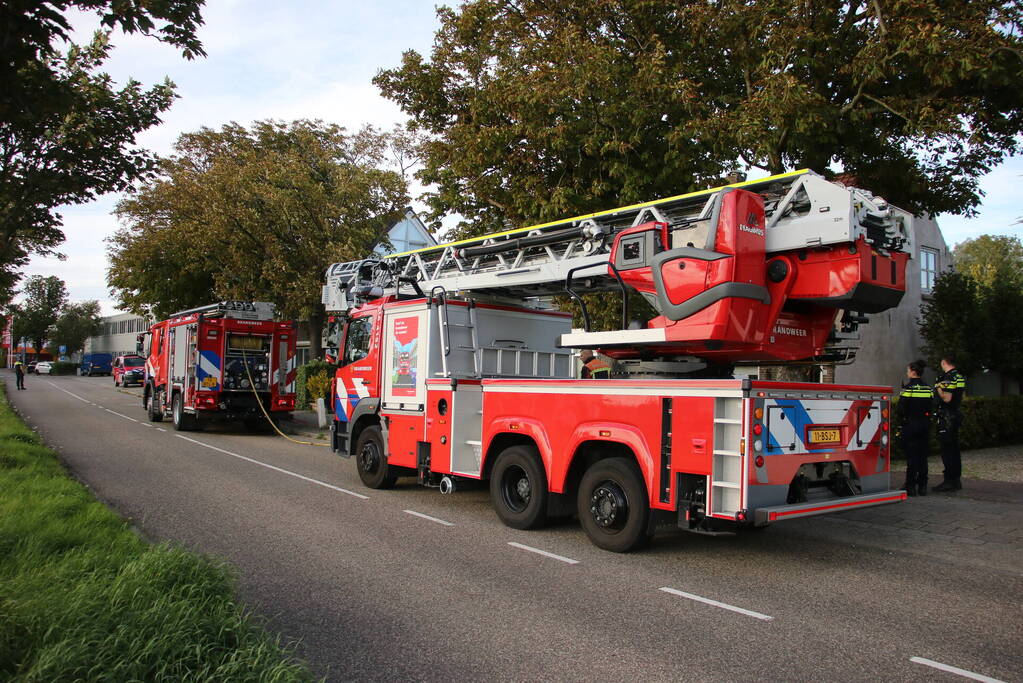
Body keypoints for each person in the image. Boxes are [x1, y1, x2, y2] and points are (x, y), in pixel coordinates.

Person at [896, 360, 934, 496]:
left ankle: (910, 486)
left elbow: (900, 410)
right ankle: (923, 486)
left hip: (911, 425)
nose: (907, 373)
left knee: (912, 457)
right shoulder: (928, 388)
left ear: (912, 371)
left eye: (908, 370)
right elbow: (931, 406)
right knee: (923, 456)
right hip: (925, 424)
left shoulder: (908, 389)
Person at [932, 355, 966, 492]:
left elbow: (946, 398)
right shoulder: (959, 376)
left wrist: (938, 387)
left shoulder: (947, 377)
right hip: (955, 414)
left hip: (947, 418)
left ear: (944, 362)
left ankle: (949, 481)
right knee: (954, 450)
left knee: (947, 451)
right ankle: (956, 480)